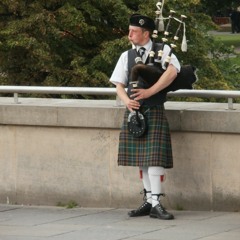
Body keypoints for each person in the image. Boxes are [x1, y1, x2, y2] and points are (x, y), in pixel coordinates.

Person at [110, 13, 180, 220]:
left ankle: (157, 202)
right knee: (143, 160)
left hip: (154, 108)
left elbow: (173, 72)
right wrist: (126, 101)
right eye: (129, 30)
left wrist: (150, 92)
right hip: (135, 112)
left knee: (155, 157)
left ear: (146, 33)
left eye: (134, 31)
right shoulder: (126, 56)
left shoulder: (163, 50)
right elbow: (118, 85)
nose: (129, 34)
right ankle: (149, 201)